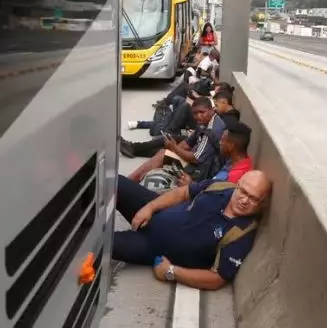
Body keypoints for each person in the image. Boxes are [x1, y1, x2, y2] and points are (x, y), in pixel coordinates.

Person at [112, 170, 272, 290]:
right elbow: (184, 192)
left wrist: (171, 271)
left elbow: (218, 279)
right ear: (237, 184)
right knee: (111, 180)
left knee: (102, 243)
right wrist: (150, 207)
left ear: (262, 203)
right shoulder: (221, 187)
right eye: (243, 191)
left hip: (151, 246)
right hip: (156, 210)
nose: (244, 200)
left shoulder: (241, 233)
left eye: (253, 199)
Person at [128, 97, 225, 183]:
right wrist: (172, 151)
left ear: (212, 110)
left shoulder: (212, 130)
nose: (198, 116)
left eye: (202, 112)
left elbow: (196, 159)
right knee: (165, 152)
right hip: (197, 162)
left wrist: (174, 149)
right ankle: (134, 179)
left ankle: (130, 181)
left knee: (163, 155)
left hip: (201, 171)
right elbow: (187, 143)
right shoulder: (204, 122)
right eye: (195, 113)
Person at [178, 120, 253, 186]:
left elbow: (212, 199)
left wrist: (190, 185)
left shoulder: (234, 178)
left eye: (222, 140)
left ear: (230, 146)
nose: (220, 143)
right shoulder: (236, 160)